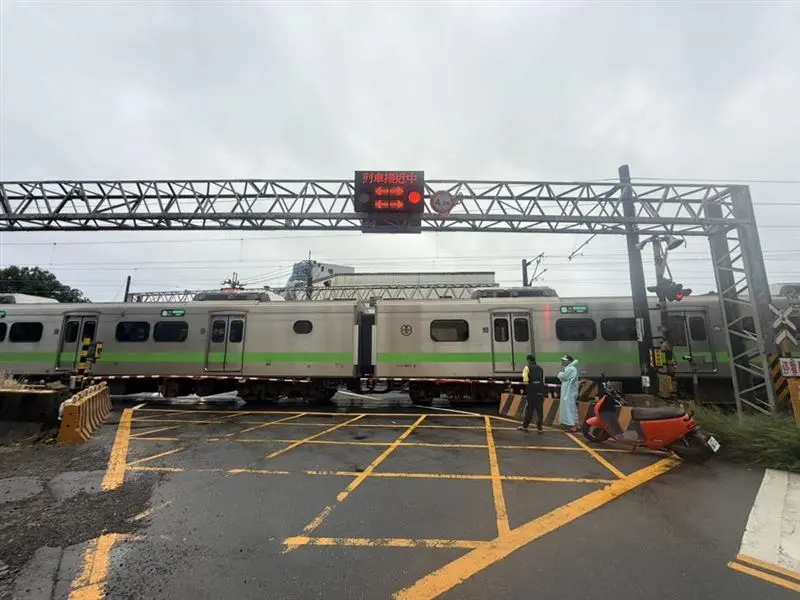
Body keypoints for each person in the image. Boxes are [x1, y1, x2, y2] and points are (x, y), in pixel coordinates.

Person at [518, 354, 545, 433]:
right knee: (539, 409)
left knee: (530, 408)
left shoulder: (527, 367)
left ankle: (525, 426)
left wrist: (528, 385)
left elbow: (525, 379)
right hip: (540, 389)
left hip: (532, 389)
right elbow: (543, 379)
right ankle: (540, 428)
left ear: (529, 360)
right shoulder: (540, 368)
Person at [557, 354, 580, 432]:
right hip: (569, 392)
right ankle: (575, 425)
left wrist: (560, 374)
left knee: (569, 408)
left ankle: (572, 426)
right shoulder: (570, 368)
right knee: (572, 408)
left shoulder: (571, 369)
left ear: (569, 361)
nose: (562, 362)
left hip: (569, 393)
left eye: (564, 360)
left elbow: (561, 376)